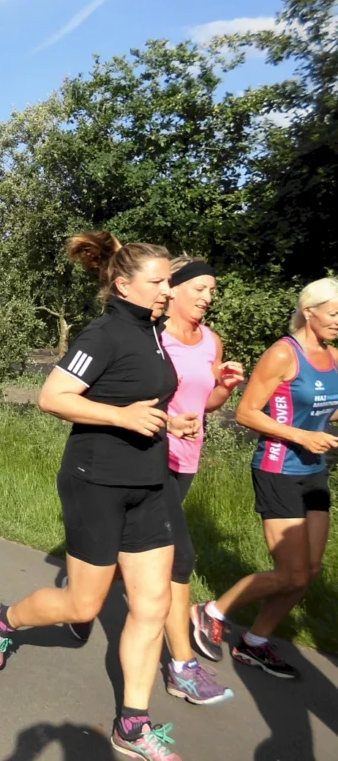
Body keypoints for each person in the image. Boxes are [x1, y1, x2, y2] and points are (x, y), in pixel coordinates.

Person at [0, 232, 200, 761]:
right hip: (96, 484)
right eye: (159, 281)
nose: (169, 289)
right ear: (124, 285)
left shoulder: (151, 333)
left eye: (170, 280)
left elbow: (133, 394)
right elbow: (52, 396)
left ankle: (133, 724)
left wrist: (171, 422)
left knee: (152, 604)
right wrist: (123, 417)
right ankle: (2, 619)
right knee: (84, 603)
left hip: (148, 485)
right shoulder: (102, 334)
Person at [192, 277, 338, 680]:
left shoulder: (334, 357)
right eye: (334, 313)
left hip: (314, 474)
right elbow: (247, 413)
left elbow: (325, 408)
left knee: (307, 573)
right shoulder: (282, 354)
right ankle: (211, 611)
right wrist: (302, 435)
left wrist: (323, 426)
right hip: (279, 470)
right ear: (309, 312)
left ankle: (255, 643)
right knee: (290, 571)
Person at [155, 257, 244, 705]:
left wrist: (225, 385)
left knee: (143, 552)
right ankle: (182, 665)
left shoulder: (211, 340)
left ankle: (81, 600)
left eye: (212, 291)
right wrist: (165, 424)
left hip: (187, 457)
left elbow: (206, 403)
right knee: (179, 556)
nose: (208, 298)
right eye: (201, 289)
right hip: (150, 454)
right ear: (172, 289)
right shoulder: (153, 337)